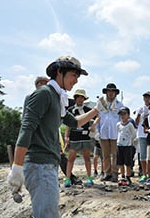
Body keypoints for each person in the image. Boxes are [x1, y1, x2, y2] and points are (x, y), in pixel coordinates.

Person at [7, 56, 100, 218]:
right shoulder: (44, 94)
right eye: (74, 75)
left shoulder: (58, 98)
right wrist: (17, 166)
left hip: (47, 165)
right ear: (59, 72)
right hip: (39, 165)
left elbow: (74, 122)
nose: (76, 81)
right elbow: (26, 129)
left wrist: (97, 110)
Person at [64, 89, 95, 187]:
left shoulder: (88, 110)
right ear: (75, 98)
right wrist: (66, 136)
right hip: (74, 136)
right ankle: (67, 178)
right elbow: (68, 125)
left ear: (84, 99)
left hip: (85, 136)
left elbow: (97, 116)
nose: (80, 99)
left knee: (87, 157)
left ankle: (89, 177)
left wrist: (93, 125)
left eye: (82, 97)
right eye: (78, 97)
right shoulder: (70, 110)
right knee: (71, 158)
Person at [96, 83, 123, 182]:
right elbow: (98, 118)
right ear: (106, 92)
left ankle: (115, 173)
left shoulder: (120, 105)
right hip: (103, 132)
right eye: (109, 91)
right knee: (105, 154)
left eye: (113, 91)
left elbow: (122, 119)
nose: (111, 93)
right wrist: (97, 131)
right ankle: (107, 173)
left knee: (115, 154)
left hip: (115, 133)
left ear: (115, 93)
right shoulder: (100, 103)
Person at [135, 91, 150, 182]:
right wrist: (139, 114)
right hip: (142, 134)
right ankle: (143, 173)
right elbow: (136, 122)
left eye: (148, 97)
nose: (147, 99)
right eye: (145, 97)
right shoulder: (140, 108)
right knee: (142, 155)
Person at [116, 106, 137, 186]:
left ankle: (128, 176)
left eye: (124, 114)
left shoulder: (130, 124)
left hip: (128, 146)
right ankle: (122, 176)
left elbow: (134, 134)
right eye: (121, 114)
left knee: (128, 162)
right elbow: (117, 133)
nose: (122, 116)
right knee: (120, 162)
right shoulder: (118, 124)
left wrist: (130, 141)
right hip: (120, 145)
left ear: (128, 115)